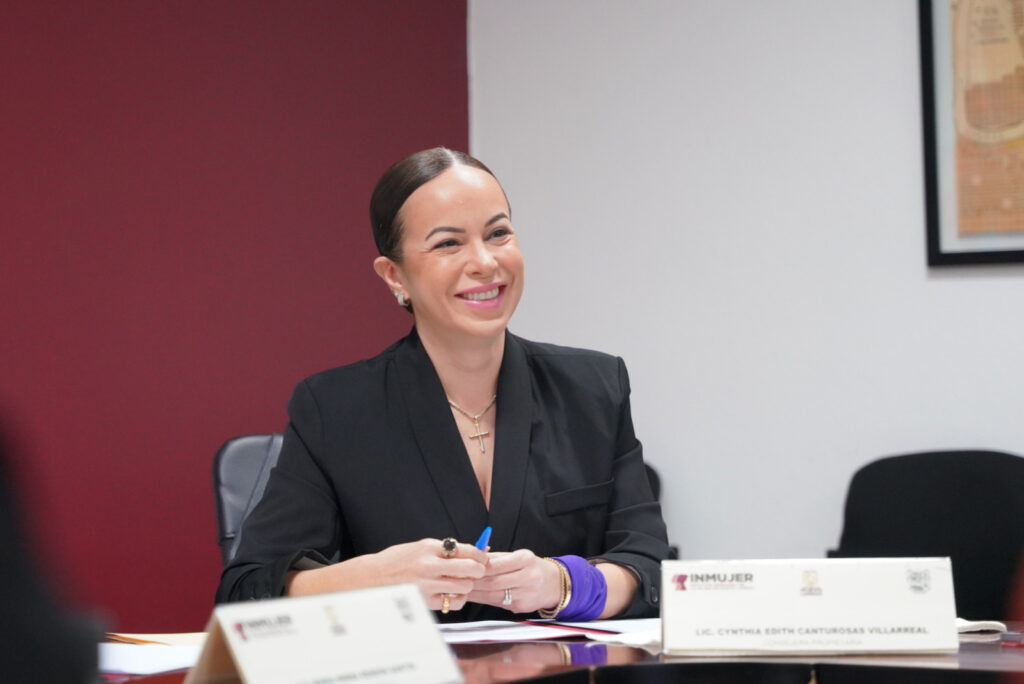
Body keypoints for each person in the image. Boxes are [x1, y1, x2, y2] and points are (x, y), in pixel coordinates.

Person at [216, 147, 670, 621]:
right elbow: (246, 591)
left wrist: (562, 583)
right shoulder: (333, 409)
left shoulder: (594, 387)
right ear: (395, 276)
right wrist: (376, 581)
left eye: (498, 234)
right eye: (448, 244)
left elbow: (654, 573)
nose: (485, 263)